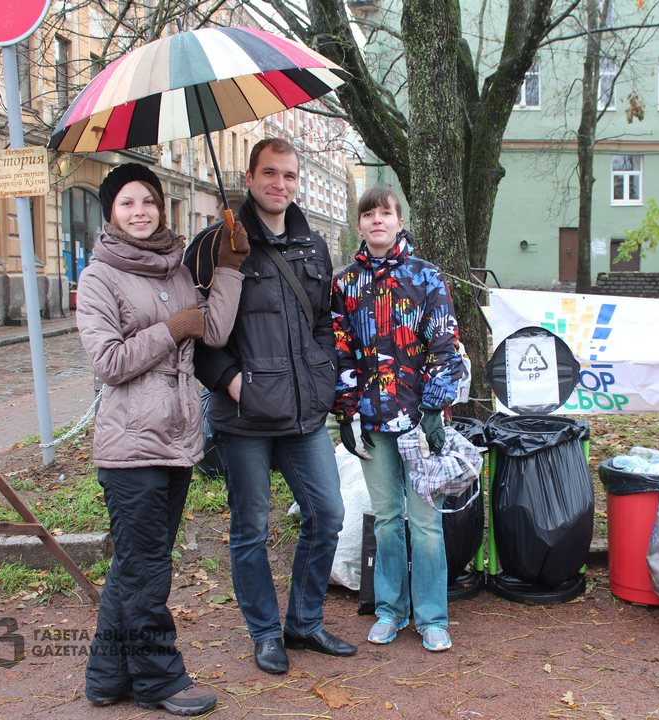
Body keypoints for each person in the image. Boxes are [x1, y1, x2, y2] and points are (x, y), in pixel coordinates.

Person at [77, 162, 248, 716]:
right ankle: (158, 679)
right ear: (111, 213)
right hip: (131, 445)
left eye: (148, 201)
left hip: (176, 440)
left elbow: (212, 330)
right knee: (147, 567)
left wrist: (229, 267)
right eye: (127, 203)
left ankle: (106, 676)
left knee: (136, 563)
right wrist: (172, 328)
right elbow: (108, 362)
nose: (140, 211)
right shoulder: (99, 277)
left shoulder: (175, 270)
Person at [183, 138, 356, 675]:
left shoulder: (313, 245)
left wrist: (323, 373)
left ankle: (303, 622)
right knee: (250, 529)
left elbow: (322, 320)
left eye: (289, 175)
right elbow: (196, 331)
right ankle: (264, 633)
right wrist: (232, 382)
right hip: (245, 418)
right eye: (269, 173)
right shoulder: (215, 244)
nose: (280, 184)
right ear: (249, 177)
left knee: (328, 513)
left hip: (303, 412)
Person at [331, 187, 464, 652]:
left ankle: (432, 617)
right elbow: (340, 349)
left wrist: (434, 408)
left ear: (399, 221)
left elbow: (445, 344)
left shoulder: (426, 277)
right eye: (368, 214)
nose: (377, 220)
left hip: (419, 419)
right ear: (359, 224)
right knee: (387, 518)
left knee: (425, 522)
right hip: (372, 420)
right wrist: (346, 413)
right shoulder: (345, 284)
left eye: (385, 213)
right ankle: (390, 610)